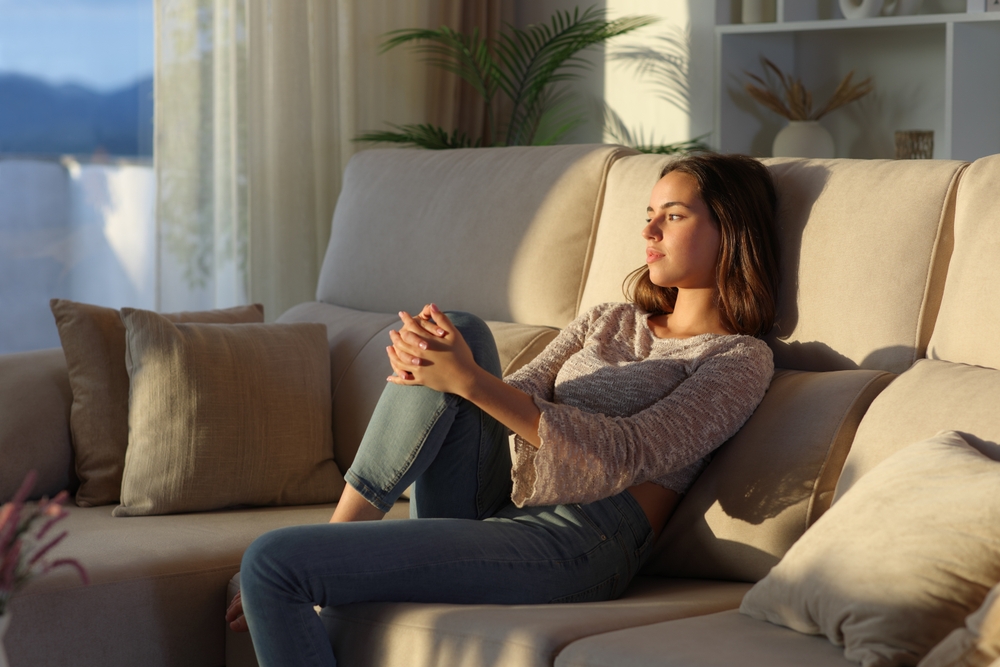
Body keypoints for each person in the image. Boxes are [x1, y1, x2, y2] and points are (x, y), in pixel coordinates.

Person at [226, 152, 781, 667]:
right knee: (459, 330)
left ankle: (325, 551)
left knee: (273, 562)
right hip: (499, 499)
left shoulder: (738, 358)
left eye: (673, 216)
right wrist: (450, 373)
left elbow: (625, 455)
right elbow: (510, 393)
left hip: (583, 539)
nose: (649, 231)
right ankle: (341, 532)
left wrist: (469, 380)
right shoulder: (609, 319)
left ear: (730, 233)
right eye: (649, 215)